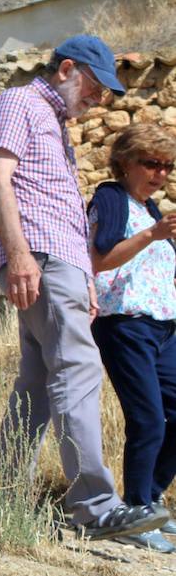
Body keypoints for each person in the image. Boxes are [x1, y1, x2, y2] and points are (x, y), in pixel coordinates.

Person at [0, 34, 168, 541]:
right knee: (79, 366)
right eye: (94, 86)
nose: (99, 100)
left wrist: (85, 279)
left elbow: (64, 213)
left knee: (39, 384)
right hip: (39, 256)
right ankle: (94, 504)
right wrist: (20, 255)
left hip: (58, 261)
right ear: (67, 68)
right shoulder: (18, 101)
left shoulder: (55, 124)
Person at [88, 123, 176, 552]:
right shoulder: (111, 198)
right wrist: (151, 236)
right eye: (151, 164)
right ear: (125, 162)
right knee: (147, 420)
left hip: (164, 328)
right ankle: (138, 516)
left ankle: (152, 499)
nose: (160, 173)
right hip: (125, 324)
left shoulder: (152, 208)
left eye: (167, 166)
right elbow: (100, 260)